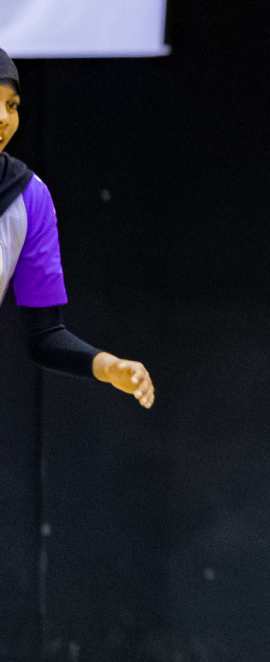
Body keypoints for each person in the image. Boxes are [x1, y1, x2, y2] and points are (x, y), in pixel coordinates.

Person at [0, 49, 154, 408]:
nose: (3, 118)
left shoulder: (29, 197)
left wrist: (110, 368)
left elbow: (46, 335)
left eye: (12, 104)